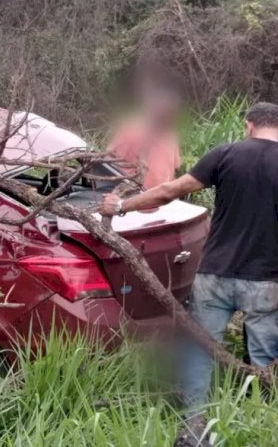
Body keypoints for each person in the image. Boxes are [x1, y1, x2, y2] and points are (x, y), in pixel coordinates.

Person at [99, 102, 278, 446]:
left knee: (200, 350)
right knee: (263, 359)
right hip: (266, 281)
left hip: (215, 276)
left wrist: (120, 205)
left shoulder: (226, 154)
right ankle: (260, 428)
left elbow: (170, 191)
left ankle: (197, 428)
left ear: (248, 125)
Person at [107, 86, 182, 189]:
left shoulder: (171, 136)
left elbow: (173, 170)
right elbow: (109, 162)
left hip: (160, 200)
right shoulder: (131, 129)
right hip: (131, 197)